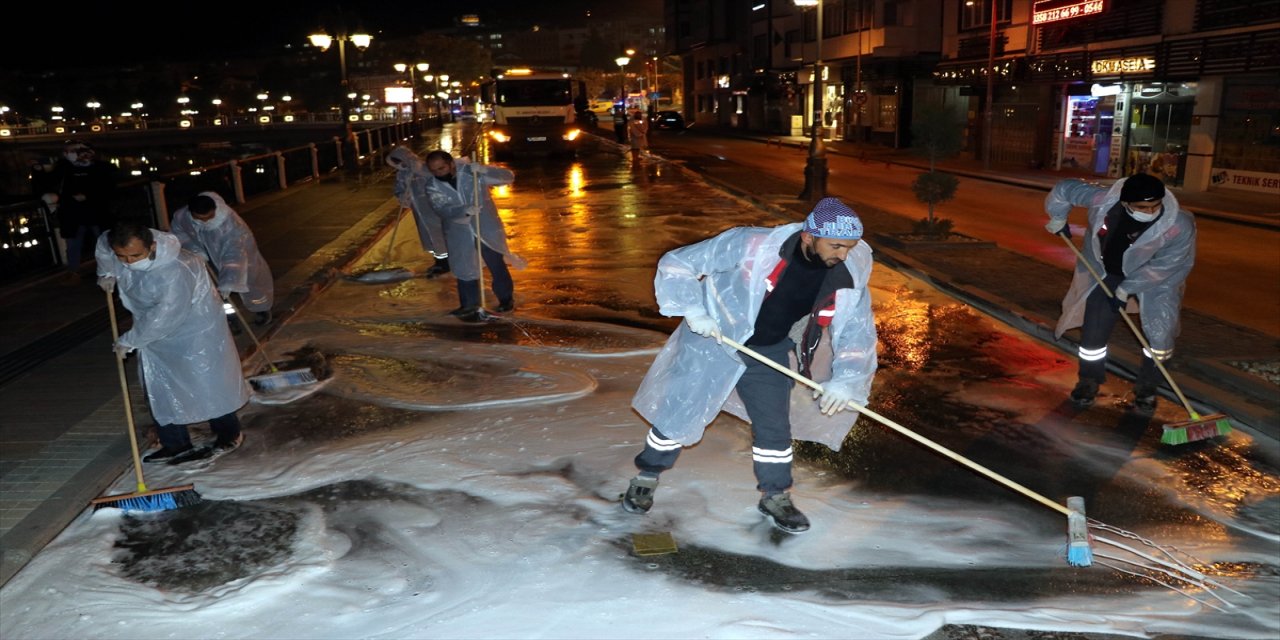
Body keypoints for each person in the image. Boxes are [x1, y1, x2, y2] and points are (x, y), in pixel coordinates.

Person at [623, 197, 878, 533]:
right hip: (714, 343)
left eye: (849, 246)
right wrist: (694, 310)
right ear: (808, 236)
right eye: (836, 246)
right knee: (678, 414)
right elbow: (677, 263)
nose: (843, 254)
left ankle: (775, 495)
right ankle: (647, 476)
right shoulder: (751, 244)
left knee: (775, 427)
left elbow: (857, 331)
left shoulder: (848, 269)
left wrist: (846, 380)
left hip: (768, 351)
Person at [96, 220, 250, 465]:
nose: (128, 262)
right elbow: (104, 247)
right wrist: (107, 271)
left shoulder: (176, 269)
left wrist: (131, 339)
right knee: (159, 386)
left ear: (153, 245)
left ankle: (229, 434)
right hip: (152, 331)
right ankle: (175, 443)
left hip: (195, 333)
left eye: (135, 255)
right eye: (121, 257)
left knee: (208, 383)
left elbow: (167, 314)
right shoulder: (117, 247)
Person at [1043, 173, 1196, 413]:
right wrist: (1058, 216)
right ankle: (1089, 381)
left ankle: (1147, 388)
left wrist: (1127, 288)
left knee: (1160, 335)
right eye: (1142, 207)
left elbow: (1168, 264)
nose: (1151, 210)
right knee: (1093, 331)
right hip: (1108, 272)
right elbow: (1064, 189)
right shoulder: (1102, 199)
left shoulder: (1178, 225)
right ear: (1125, 202)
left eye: (1156, 205)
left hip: (1156, 279)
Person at [422, 150, 525, 322]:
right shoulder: (432, 186)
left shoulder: (472, 173)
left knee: (495, 264)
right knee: (465, 268)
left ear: (451, 164)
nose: (439, 173)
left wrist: (486, 170)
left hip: (486, 228)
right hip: (459, 232)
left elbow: (507, 178)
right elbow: (441, 208)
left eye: (442, 168)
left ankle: (506, 300)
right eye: (434, 170)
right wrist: (463, 211)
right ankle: (469, 305)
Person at [170, 191, 275, 325]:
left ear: (215, 209)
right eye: (200, 218)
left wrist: (229, 281)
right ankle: (229, 319)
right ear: (191, 213)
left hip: (241, 257)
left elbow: (234, 252)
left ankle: (261, 308)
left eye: (208, 217)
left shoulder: (230, 224)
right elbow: (180, 234)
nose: (205, 221)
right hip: (207, 258)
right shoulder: (182, 217)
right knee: (215, 291)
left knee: (251, 282)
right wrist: (197, 252)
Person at [45, 140, 117, 283]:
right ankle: (73, 271)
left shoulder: (100, 167)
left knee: (103, 242)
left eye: (78, 150)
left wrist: (89, 195)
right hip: (73, 214)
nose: (75, 154)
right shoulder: (63, 168)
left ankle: (111, 270)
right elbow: (50, 183)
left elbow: (108, 187)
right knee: (73, 244)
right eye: (70, 151)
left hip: (96, 212)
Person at [386, 147, 450, 278]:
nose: (400, 165)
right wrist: (403, 196)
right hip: (420, 211)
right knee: (428, 236)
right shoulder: (402, 174)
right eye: (396, 162)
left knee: (439, 236)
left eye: (401, 161)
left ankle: (445, 262)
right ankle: (438, 260)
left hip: (433, 209)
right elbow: (399, 190)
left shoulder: (424, 170)